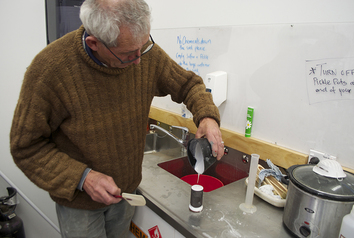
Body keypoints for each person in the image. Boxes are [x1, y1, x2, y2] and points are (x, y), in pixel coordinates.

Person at [10, 0, 224, 237]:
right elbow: (26, 147)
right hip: (80, 208)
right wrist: (83, 178)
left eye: (143, 47)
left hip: (126, 194)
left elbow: (188, 84)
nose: (139, 61)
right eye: (128, 55)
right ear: (94, 43)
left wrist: (207, 116)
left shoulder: (143, 52)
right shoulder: (50, 70)